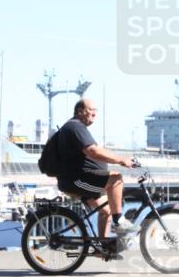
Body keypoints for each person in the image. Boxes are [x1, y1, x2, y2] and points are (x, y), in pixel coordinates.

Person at [53, 99, 138, 238]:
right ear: (80, 111)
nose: (95, 113)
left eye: (95, 110)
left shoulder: (75, 127)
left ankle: (103, 246)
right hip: (76, 180)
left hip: (79, 179)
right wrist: (121, 160)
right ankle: (120, 222)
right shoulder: (75, 127)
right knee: (116, 179)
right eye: (91, 110)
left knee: (106, 210)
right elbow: (93, 151)